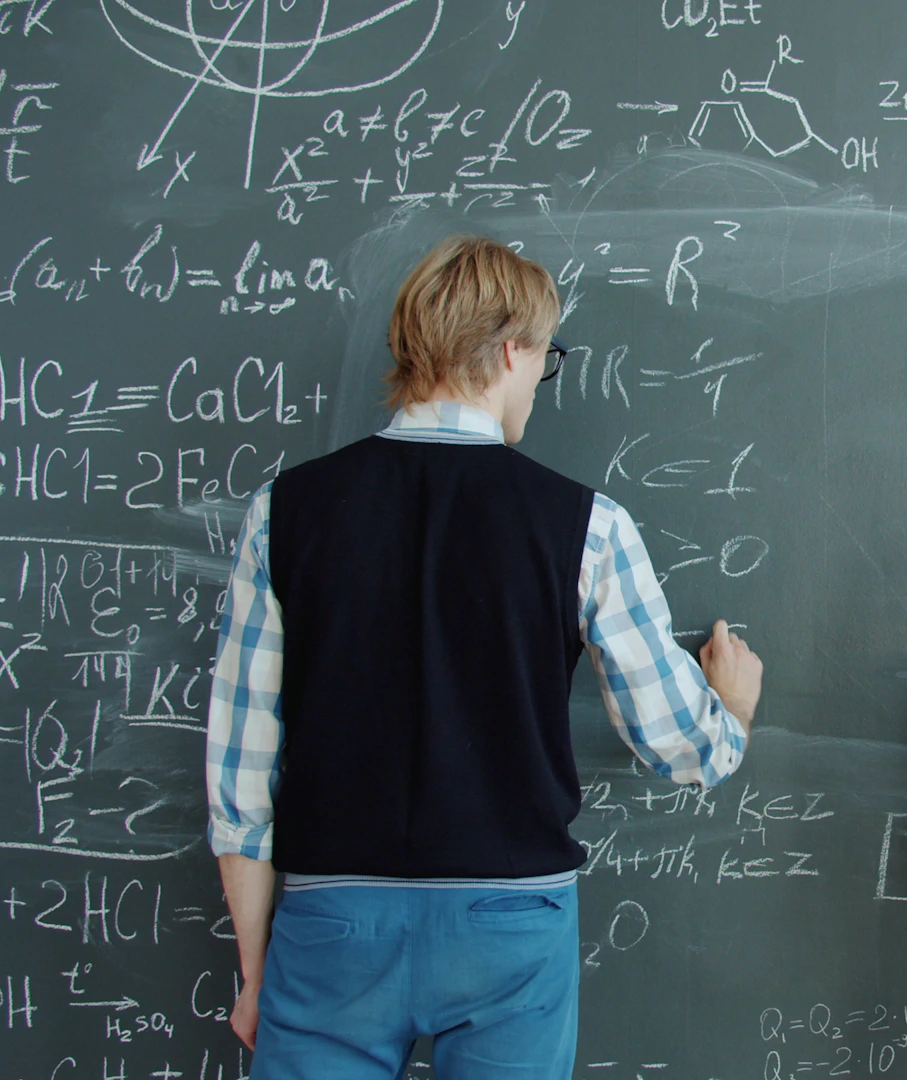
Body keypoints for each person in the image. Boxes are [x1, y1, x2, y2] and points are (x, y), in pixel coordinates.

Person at [204, 235, 763, 1080]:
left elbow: (240, 774)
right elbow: (680, 744)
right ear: (511, 350)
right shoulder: (588, 525)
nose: (541, 381)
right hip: (511, 923)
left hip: (332, 921)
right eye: (547, 356)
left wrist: (256, 973)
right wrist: (735, 709)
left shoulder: (284, 514)